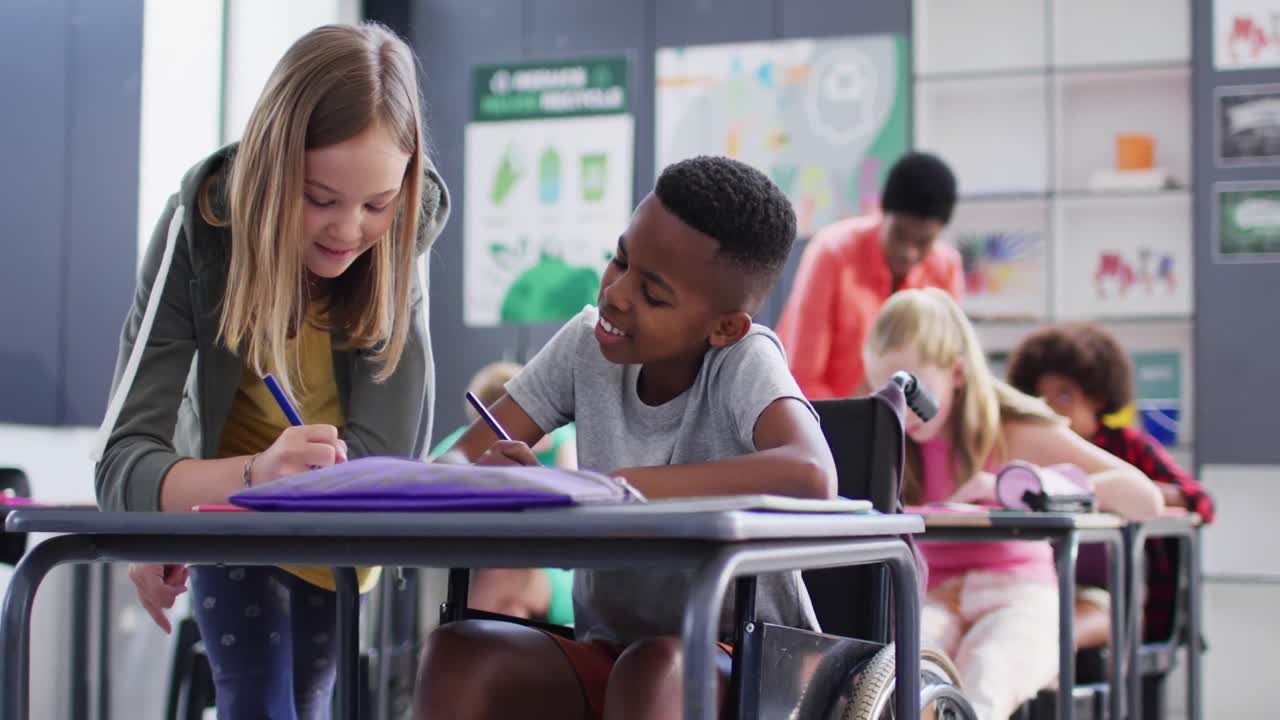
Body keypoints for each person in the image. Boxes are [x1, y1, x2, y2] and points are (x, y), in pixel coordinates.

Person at [91, 23, 450, 719]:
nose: (348, 229)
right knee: (257, 700)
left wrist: (171, 500)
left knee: (308, 703)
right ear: (269, 170)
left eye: (377, 204)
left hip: (334, 544)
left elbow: (385, 469)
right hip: (233, 519)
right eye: (319, 198)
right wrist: (222, 489)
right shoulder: (199, 228)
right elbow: (121, 467)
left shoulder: (400, 241)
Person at [414, 156, 837, 720]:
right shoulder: (585, 345)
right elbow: (460, 456)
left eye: (653, 295)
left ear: (723, 327)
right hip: (614, 651)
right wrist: (496, 481)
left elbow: (811, 473)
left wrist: (608, 489)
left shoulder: (744, 359)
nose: (615, 293)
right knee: (459, 654)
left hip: (754, 663)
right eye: (620, 258)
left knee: (654, 671)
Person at [861, 289, 1163, 719]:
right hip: (933, 598)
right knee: (899, 683)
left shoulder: (1013, 430)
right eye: (885, 391)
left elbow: (1144, 497)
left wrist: (1022, 488)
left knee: (985, 680)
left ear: (957, 373)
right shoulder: (890, 440)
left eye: (912, 389)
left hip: (1017, 596)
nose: (900, 409)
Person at [1006, 321, 1215, 646]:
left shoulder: (1128, 448)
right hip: (1038, 582)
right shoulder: (1028, 450)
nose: (1051, 409)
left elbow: (1199, 501)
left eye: (1064, 395)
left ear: (1098, 397)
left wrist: (1122, 492)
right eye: (1040, 399)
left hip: (1116, 595)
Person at [777, 151, 963, 399]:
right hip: (824, 414)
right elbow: (802, 376)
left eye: (923, 242)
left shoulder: (945, 267)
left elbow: (948, 368)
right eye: (899, 235)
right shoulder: (832, 254)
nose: (908, 253)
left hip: (909, 419)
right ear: (882, 213)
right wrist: (851, 419)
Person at [430, 361, 577, 623]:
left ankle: (457, 641)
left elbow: (575, 498)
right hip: (500, 562)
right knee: (511, 610)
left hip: (559, 566)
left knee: (500, 579)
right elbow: (429, 474)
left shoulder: (565, 438)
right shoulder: (467, 443)